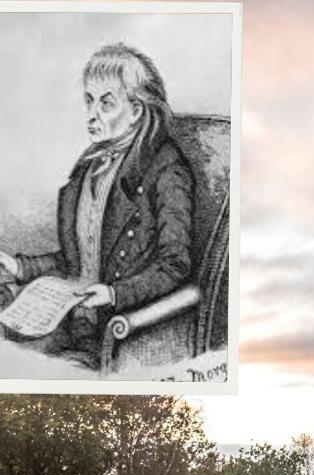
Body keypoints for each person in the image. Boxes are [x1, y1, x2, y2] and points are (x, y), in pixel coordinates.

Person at [0, 43, 194, 369]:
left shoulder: (166, 171)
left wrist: (114, 294)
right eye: (89, 101)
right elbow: (77, 260)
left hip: (109, 327)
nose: (92, 115)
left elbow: (174, 265)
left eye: (106, 104)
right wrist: (20, 268)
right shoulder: (89, 166)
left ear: (136, 111)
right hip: (66, 315)